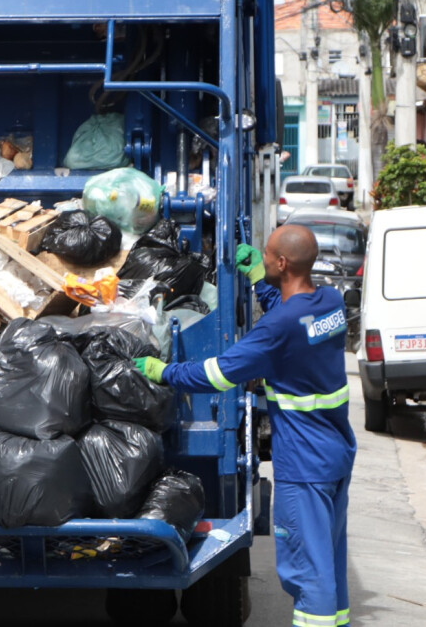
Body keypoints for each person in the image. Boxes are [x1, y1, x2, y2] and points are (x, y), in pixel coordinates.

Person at [135, 224, 356, 627]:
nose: (263, 256)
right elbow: (291, 315)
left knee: (308, 568)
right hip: (335, 453)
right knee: (328, 556)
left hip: (304, 465)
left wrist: (163, 371)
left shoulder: (278, 329)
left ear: (283, 263)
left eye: (267, 254)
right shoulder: (330, 303)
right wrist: (259, 279)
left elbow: (218, 374)